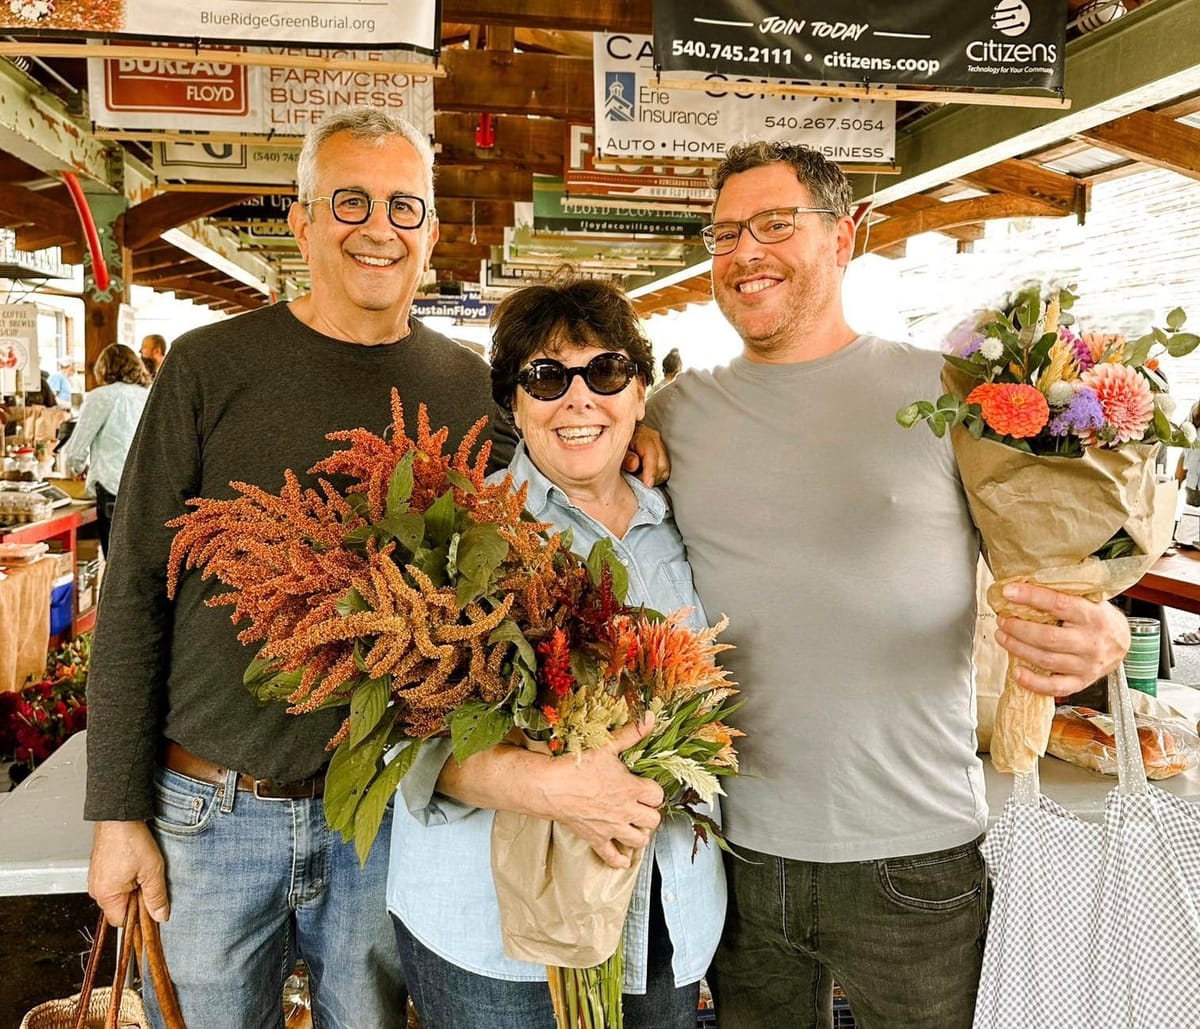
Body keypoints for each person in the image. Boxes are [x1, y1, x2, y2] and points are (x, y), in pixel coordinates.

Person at [630, 142, 1131, 1029]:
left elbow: (1056, 548)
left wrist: (1107, 628)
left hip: (917, 856)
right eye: (725, 233)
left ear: (843, 237)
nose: (745, 252)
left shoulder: (948, 395)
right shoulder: (673, 415)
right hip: (734, 848)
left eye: (774, 224)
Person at [83, 105, 517, 1029]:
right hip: (208, 815)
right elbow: (133, 593)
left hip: (385, 815)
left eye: (403, 206)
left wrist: (647, 440)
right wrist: (117, 813)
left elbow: (558, 483)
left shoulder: (471, 388)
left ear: (432, 231)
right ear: (303, 220)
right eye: (350, 201)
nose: (378, 228)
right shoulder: (207, 367)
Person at [388, 276, 724, 1029]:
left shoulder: (688, 517)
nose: (579, 399)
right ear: (514, 404)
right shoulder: (464, 531)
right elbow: (404, 743)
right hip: (497, 942)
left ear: (639, 393)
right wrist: (555, 787)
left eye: (605, 372)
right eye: (546, 377)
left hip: (663, 915)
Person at [60, 344, 150, 556]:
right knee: (139, 559)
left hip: (113, 486)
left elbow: (76, 448)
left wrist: (77, 468)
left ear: (103, 368)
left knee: (115, 559)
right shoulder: (148, 395)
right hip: (146, 488)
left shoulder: (101, 397)